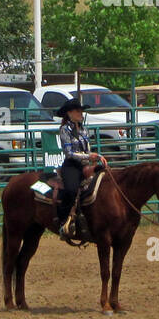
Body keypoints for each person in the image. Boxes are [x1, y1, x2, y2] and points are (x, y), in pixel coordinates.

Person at [56, 97, 105, 240]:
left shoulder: (83, 129)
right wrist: (88, 157)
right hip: (71, 166)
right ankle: (64, 221)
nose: (81, 113)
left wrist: (97, 156)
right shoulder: (65, 129)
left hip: (85, 165)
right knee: (71, 190)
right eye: (78, 111)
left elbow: (87, 150)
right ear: (70, 113)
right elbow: (69, 153)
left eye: (81, 111)